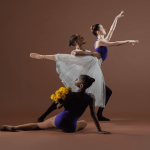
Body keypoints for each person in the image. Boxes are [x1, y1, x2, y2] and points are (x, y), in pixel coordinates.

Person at [30, 34, 106, 122]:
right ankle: (44, 116)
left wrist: (98, 61)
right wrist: (42, 56)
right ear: (77, 42)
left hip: (89, 79)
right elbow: (67, 56)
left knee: (106, 92)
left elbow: (91, 62)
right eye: (80, 37)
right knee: (64, 98)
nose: (83, 37)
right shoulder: (77, 53)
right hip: (82, 81)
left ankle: (98, 114)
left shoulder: (87, 51)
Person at [0, 75, 111, 134]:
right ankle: (57, 125)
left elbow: (58, 107)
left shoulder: (70, 94)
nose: (75, 79)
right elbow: (93, 114)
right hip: (70, 127)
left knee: (39, 125)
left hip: (61, 119)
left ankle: (14, 128)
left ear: (81, 85)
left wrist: (60, 100)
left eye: (77, 79)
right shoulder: (91, 97)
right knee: (84, 122)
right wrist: (100, 130)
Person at [90, 11, 139, 120]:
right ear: (98, 31)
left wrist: (116, 18)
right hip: (94, 70)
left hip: (97, 70)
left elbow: (111, 30)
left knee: (103, 92)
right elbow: (115, 43)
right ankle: (96, 114)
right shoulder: (99, 42)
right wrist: (128, 40)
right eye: (102, 28)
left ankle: (98, 115)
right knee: (88, 92)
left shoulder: (103, 40)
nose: (105, 29)